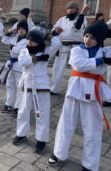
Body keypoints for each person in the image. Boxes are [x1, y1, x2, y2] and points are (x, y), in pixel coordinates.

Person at [48, 21, 111, 171]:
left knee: (93, 128)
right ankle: (59, 153)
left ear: (100, 40)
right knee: (66, 123)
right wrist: (100, 61)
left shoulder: (105, 51)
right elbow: (79, 65)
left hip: (94, 93)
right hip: (75, 89)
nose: (88, 40)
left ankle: (90, 164)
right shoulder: (76, 50)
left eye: (93, 38)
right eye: (87, 36)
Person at [12, 23, 61, 154]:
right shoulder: (24, 50)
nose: (30, 42)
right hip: (26, 83)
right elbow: (23, 62)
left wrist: (47, 35)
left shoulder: (46, 50)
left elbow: (57, 44)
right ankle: (21, 133)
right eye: (29, 39)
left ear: (39, 41)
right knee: (23, 110)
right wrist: (37, 58)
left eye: (33, 40)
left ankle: (41, 139)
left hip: (41, 84)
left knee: (42, 113)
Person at [50, 2, 89, 94]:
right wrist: (56, 31)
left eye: (72, 8)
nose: (70, 10)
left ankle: (76, 90)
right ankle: (54, 89)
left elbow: (77, 27)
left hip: (76, 47)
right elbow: (53, 31)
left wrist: (83, 12)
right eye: (69, 8)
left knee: (76, 68)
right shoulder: (62, 19)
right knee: (57, 68)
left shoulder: (82, 18)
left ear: (77, 10)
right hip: (62, 46)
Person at [0, 20, 28, 117]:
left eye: (23, 29)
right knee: (9, 85)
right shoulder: (15, 38)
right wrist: (10, 32)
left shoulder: (27, 41)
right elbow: (3, 40)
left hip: (19, 66)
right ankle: (9, 103)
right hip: (11, 65)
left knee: (19, 86)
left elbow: (18, 51)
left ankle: (17, 106)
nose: (20, 31)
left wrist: (12, 47)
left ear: (26, 30)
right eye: (19, 29)